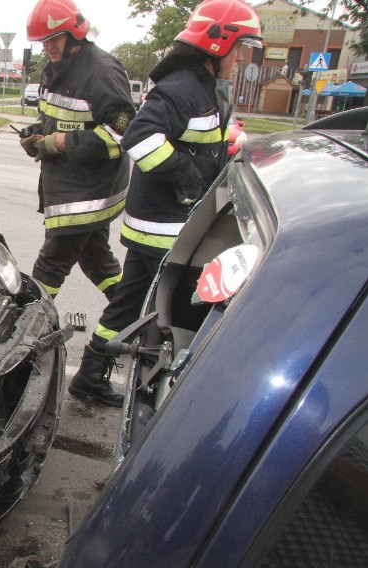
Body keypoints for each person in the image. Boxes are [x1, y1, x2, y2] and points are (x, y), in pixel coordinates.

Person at [68, 0, 263, 407]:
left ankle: (96, 376)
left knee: (136, 304)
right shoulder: (183, 89)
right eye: (241, 47)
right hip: (163, 228)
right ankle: (140, 390)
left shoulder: (204, 88)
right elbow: (139, 137)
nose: (243, 57)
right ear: (217, 43)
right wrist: (188, 180)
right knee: (163, 308)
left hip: (168, 224)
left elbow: (201, 146)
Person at [19, 0, 135, 321]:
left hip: (88, 192)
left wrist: (58, 143)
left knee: (50, 266)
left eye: (54, 38)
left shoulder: (102, 71)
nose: (48, 47)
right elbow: (57, 119)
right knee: (97, 260)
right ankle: (134, 314)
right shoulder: (55, 68)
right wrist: (35, 134)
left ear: (75, 33)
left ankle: (26, 327)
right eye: (43, 41)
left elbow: (122, 133)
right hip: (69, 185)